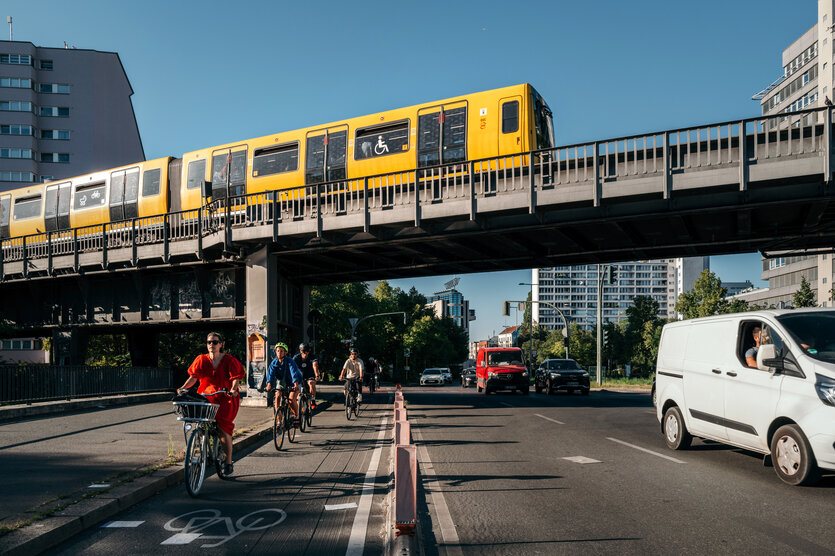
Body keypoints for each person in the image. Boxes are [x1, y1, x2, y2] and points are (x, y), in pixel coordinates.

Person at [178, 332, 244, 475]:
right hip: (207, 397)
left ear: (221, 344)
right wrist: (183, 388)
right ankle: (202, 444)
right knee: (199, 420)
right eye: (209, 342)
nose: (211, 345)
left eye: (215, 342)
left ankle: (228, 462)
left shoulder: (229, 360)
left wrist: (233, 389)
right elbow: (193, 377)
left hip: (225, 397)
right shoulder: (201, 359)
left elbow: (236, 378)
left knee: (223, 429)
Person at [266, 342, 302, 424]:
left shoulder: (290, 361)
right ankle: (279, 420)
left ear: (285, 352)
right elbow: (270, 374)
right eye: (278, 351)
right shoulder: (274, 363)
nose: (279, 353)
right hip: (282, 382)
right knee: (277, 397)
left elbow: (293, 372)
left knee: (291, 400)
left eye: (281, 351)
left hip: (294, 382)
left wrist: (296, 384)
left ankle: (297, 415)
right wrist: (269, 384)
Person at [293, 342, 320, 409]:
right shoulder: (296, 358)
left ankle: (313, 401)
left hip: (309, 375)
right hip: (299, 376)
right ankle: (298, 405)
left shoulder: (312, 356)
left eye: (307, 351)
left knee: (311, 384)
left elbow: (315, 366)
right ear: (300, 351)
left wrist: (317, 375)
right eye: (304, 351)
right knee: (296, 388)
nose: (306, 353)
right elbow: (292, 367)